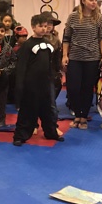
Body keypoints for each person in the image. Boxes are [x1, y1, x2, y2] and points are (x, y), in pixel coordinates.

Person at [12, 14, 62, 146]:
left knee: (48, 110)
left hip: (45, 83)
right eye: (41, 26)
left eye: (46, 26)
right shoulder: (27, 45)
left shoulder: (48, 44)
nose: (44, 29)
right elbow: (21, 67)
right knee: (27, 110)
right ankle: (20, 135)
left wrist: (54, 77)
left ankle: (51, 132)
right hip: (31, 84)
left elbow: (51, 63)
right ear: (33, 27)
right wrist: (20, 86)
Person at [62, 0, 102, 130]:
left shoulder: (99, 18)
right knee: (73, 88)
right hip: (75, 56)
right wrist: (64, 55)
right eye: (91, 0)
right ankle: (77, 114)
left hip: (92, 57)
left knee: (87, 88)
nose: (94, 3)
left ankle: (83, 117)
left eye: (95, 0)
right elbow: (66, 37)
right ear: (83, 1)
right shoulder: (73, 17)